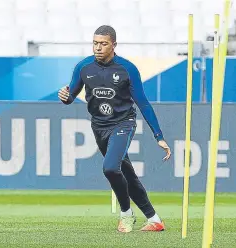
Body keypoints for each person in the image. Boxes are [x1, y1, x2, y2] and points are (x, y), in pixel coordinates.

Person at [58, 25, 171, 233]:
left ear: (114, 45)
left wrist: (159, 136)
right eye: (95, 43)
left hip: (123, 123)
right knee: (127, 174)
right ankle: (154, 219)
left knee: (110, 168)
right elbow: (70, 96)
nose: (98, 47)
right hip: (98, 126)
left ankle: (126, 215)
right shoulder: (83, 67)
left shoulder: (127, 69)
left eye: (103, 43)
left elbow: (143, 103)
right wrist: (65, 96)